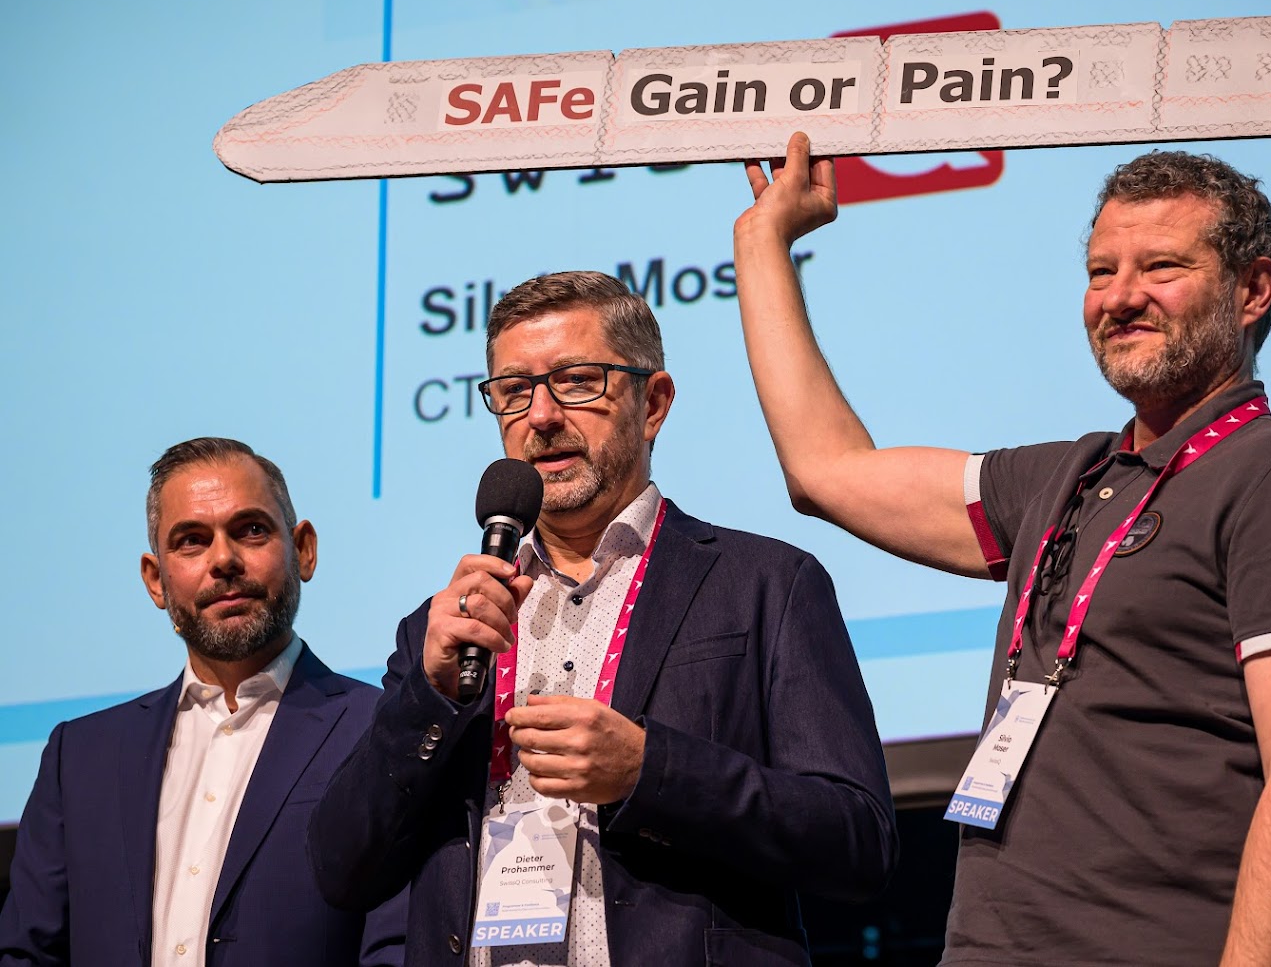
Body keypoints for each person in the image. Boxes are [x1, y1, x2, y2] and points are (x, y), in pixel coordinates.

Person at [731, 133, 1271, 967]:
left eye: (1161, 267)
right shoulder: (1069, 479)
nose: (1120, 297)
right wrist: (762, 240)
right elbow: (826, 472)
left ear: (1252, 289)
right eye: (1099, 272)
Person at [310, 272, 896, 966]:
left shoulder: (763, 585)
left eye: (577, 382)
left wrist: (650, 771)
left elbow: (857, 841)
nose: (541, 416)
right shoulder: (444, 629)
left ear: (653, 403)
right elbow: (342, 869)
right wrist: (429, 698)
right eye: (514, 391)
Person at [0, 438, 406, 967]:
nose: (223, 560)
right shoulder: (78, 757)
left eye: (251, 530)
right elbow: (27, 954)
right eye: (191, 541)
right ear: (156, 581)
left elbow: (396, 949)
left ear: (303, 549)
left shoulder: (381, 731)